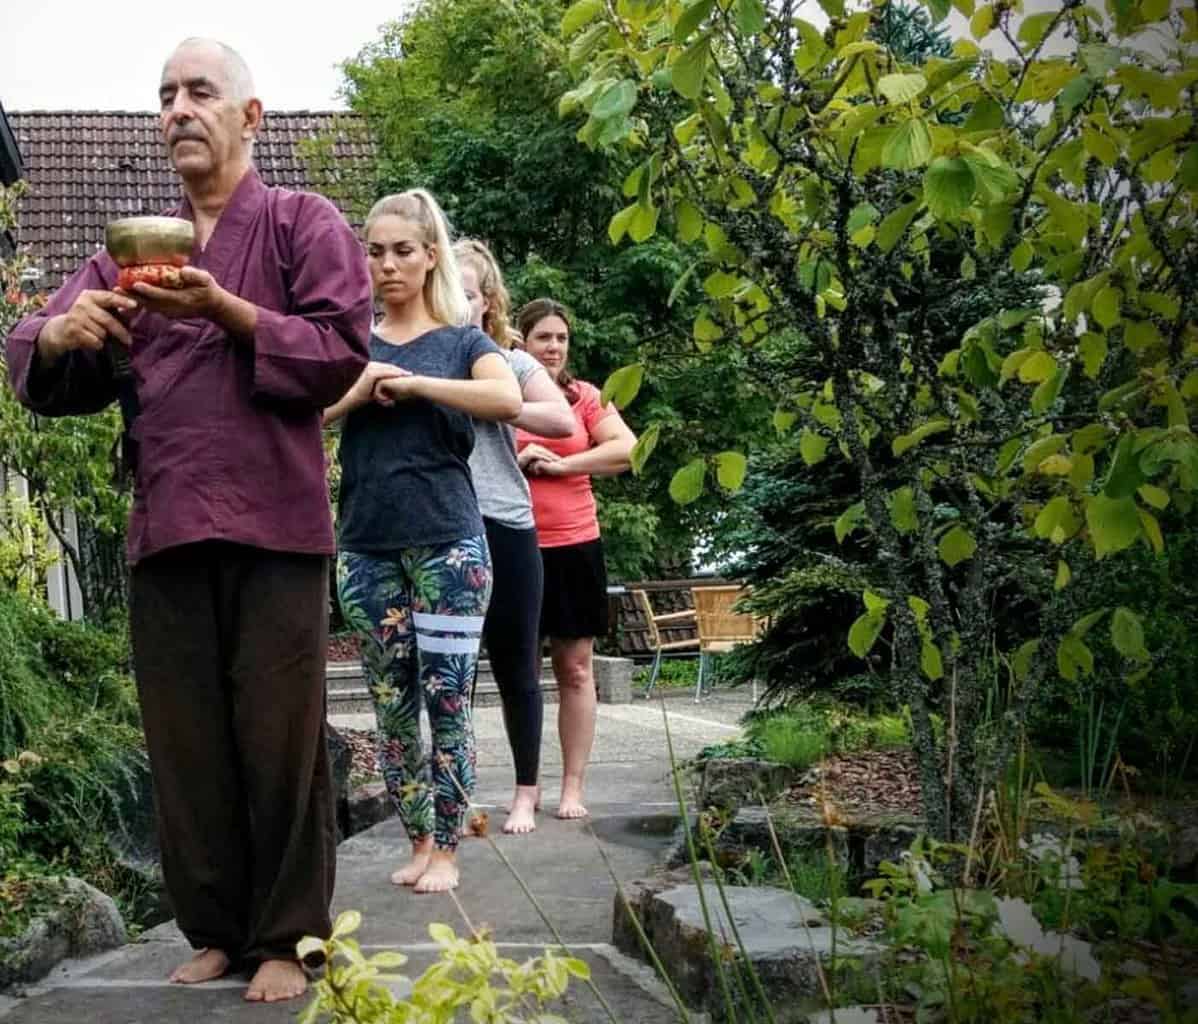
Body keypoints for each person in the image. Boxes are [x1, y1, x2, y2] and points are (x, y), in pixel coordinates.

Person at [4, 39, 372, 1002]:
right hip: (166, 518)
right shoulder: (127, 248)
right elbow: (33, 352)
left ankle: (291, 939)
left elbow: (341, 351)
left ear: (251, 116)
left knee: (278, 734)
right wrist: (58, 334)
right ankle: (213, 926)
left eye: (200, 91)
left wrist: (233, 312)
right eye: (164, 94)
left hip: (276, 522)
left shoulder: (302, 223)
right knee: (186, 739)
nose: (177, 108)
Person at [324, 193, 521, 892]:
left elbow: (508, 402)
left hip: (450, 546)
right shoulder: (354, 343)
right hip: (365, 545)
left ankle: (448, 850)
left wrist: (416, 385)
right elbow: (309, 414)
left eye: (403, 250)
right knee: (391, 706)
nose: (387, 264)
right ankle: (416, 843)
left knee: (448, 701)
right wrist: (364, 386)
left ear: (431, 254)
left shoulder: (466, 342)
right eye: (375, 251)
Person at [454, 239, 573, 835]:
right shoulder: (418, 354)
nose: (456, 302)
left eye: (467, 293)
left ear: (488, 301)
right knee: (450, 673)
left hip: (505, 523)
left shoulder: (511, 361)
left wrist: (496, 401)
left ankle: (526, 791)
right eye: (446, 289)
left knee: (515, 665)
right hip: (441, 527)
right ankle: (454, 792)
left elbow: (561, 420)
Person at [514, 299, 636, 820]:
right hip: (514, 543)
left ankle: (572, 787)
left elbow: (626, 450)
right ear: (521, 341)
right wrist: (519, 460)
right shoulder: (503, 392)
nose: (554, 347)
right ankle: (527, 785)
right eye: (543, 337)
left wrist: (562, 467)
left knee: (576, 669)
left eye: (561, 338)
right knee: (519, 671)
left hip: (575, 545)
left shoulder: (585, 397)